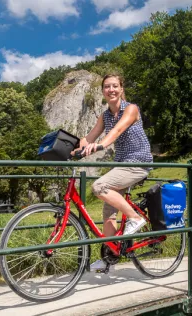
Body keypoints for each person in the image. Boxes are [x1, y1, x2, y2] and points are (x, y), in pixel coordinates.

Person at [75, 74, 153, 271]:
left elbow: (117, 131)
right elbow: (89, 137)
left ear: (121, 89)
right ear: (103, 91)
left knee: (99, 186)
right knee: (108, 213)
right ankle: (110, 255)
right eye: (107, 87)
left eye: (115, 86)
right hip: (120, 165)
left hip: (138, 162)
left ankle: (135, 218)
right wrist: (69, 150)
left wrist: (100, 145)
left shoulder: (131, 109)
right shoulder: (105, 115)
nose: (111, 90)